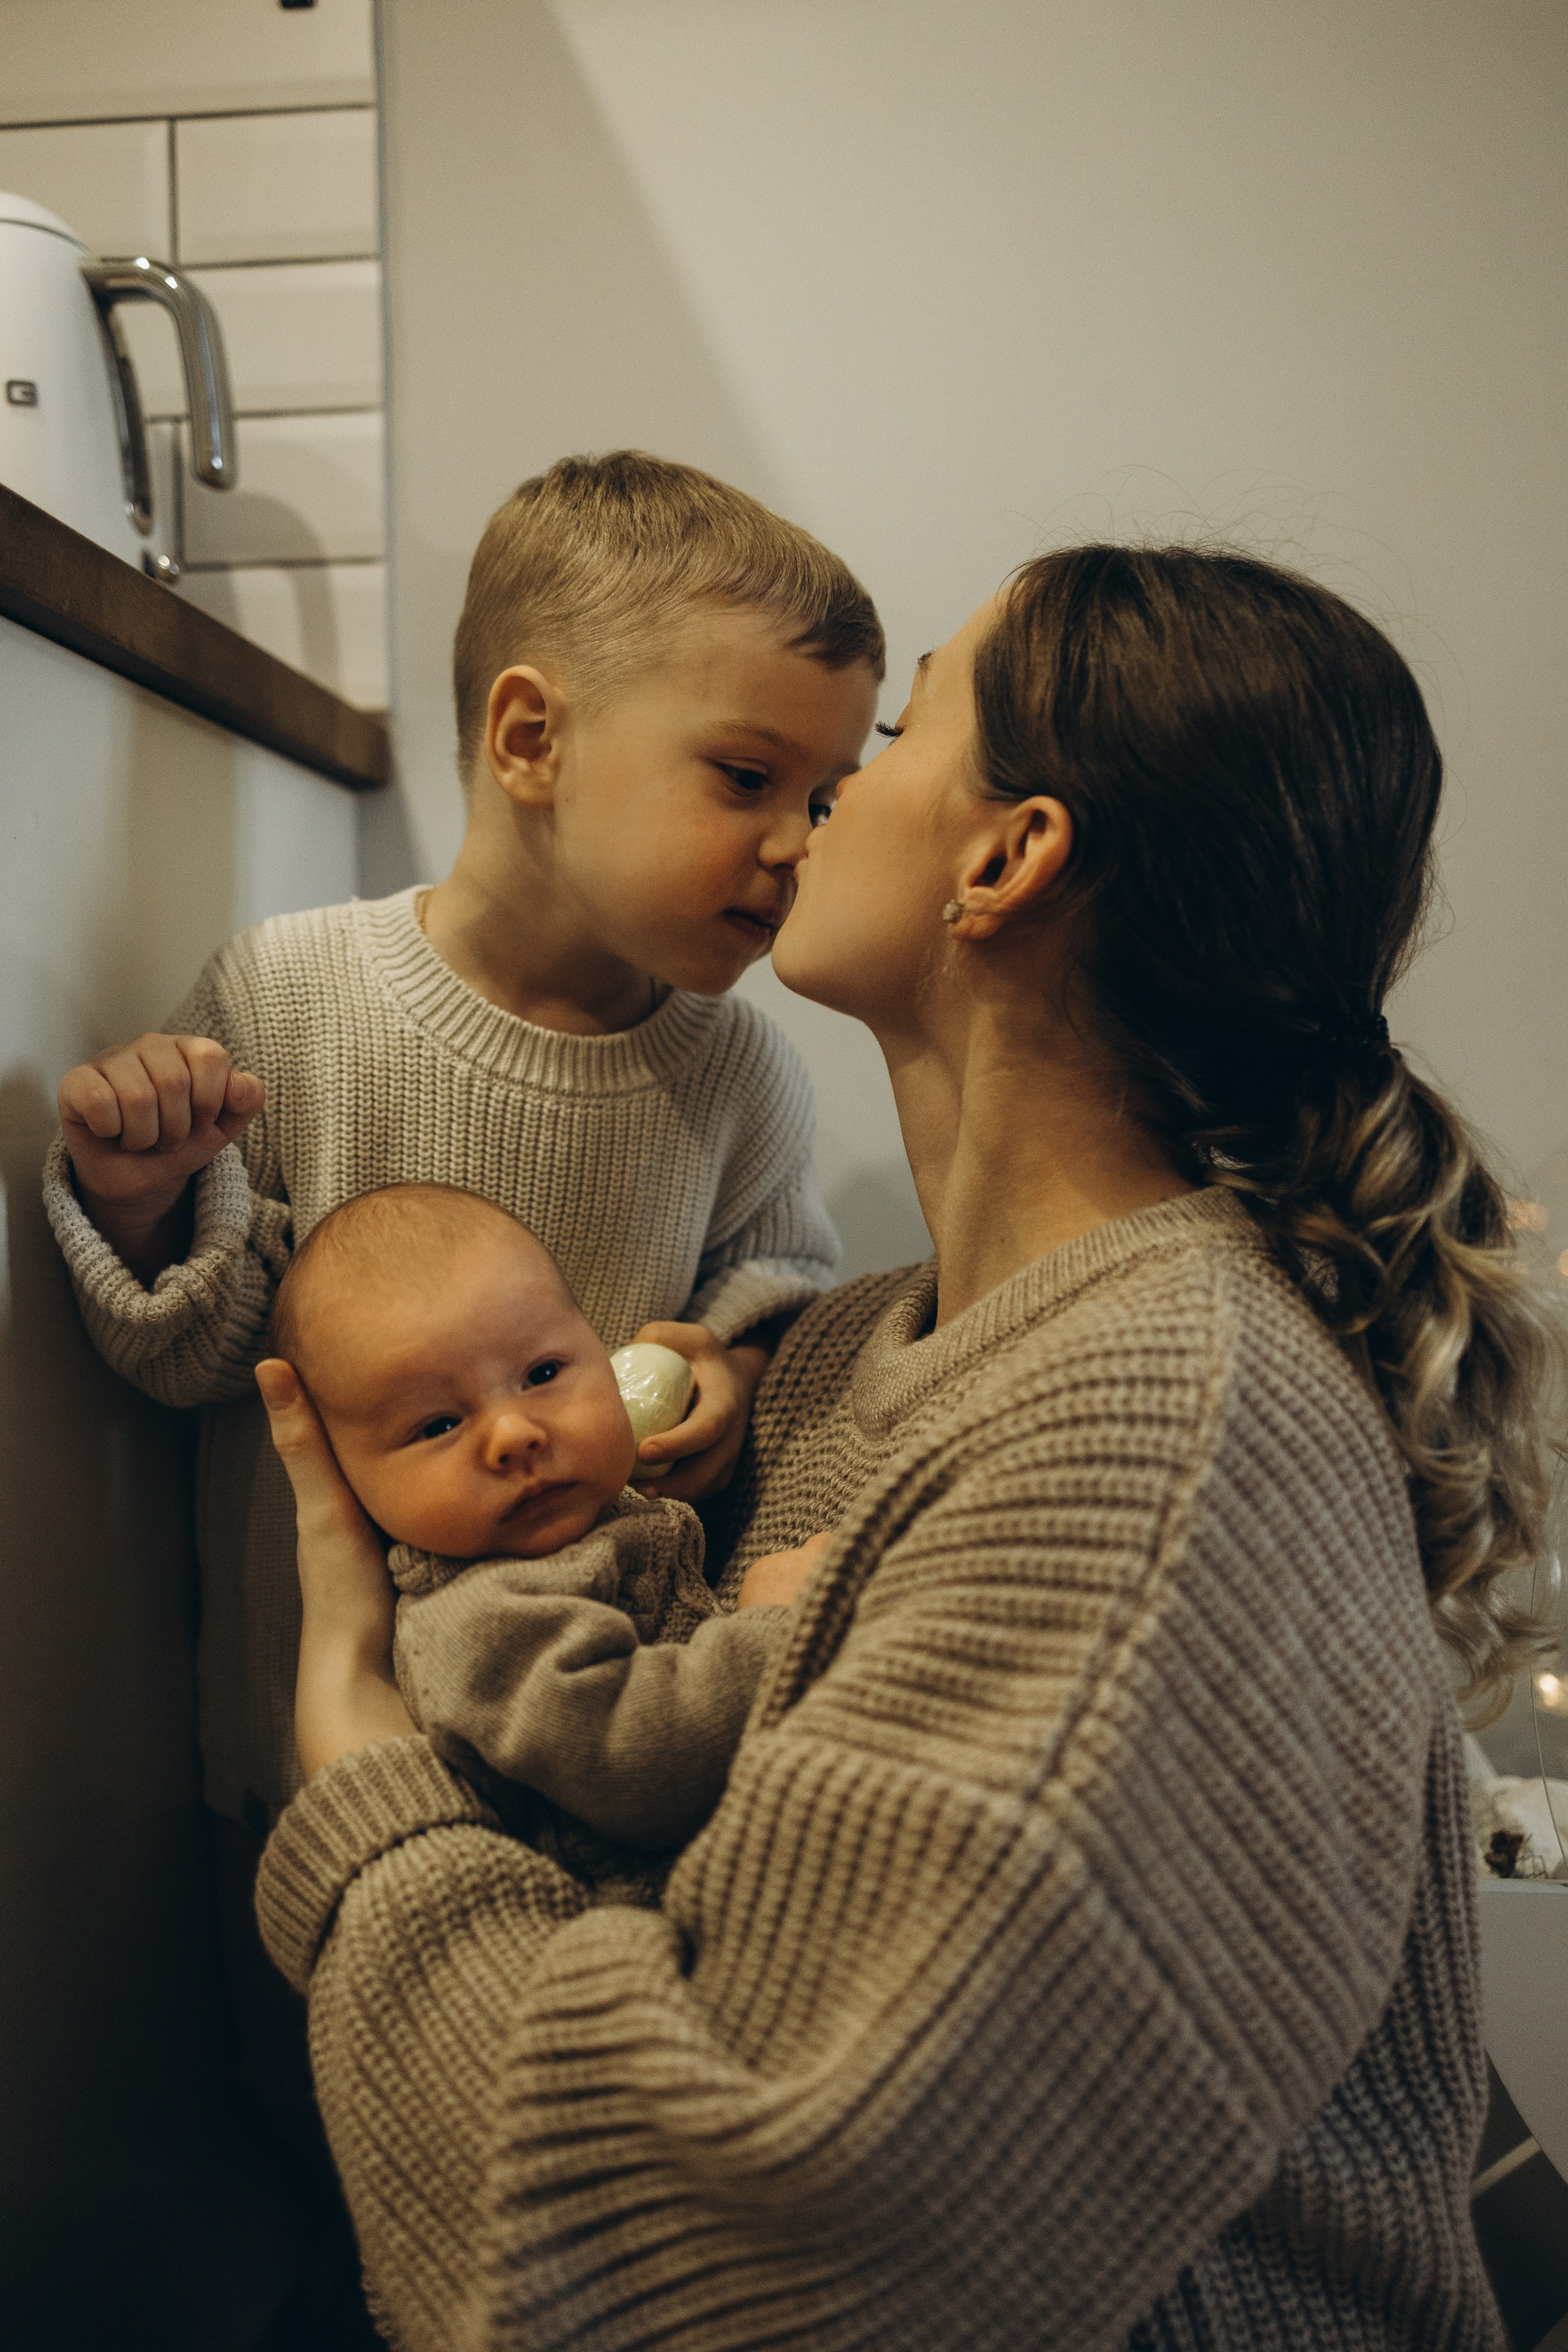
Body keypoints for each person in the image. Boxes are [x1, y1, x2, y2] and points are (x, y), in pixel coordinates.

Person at [254, 546, 1562, 2349]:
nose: (817, 803)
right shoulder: (845, 1357)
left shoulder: (1158, 1435)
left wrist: (362, 1774)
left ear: (1006, 856)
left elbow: (702, 2270)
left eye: (884, 737)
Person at [42, 450, 882, 1845]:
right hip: (315, 1751)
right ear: (531, 738)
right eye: (747, 776)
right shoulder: (289, 998)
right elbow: (197, 1360)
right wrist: (139, 1200)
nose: (798, 843)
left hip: (617, 1754)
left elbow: (776, 1288)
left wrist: (729, 1368)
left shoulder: (736, 1070)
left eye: (827, 796)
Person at [268, 1181, 817, 1879]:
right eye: (438, 1424)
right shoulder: (483, 1623)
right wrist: (771, 1629)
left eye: (543, 1373)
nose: (515, 1434)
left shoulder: (597, 1519)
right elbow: (642, 1762)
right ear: (346, 1477)